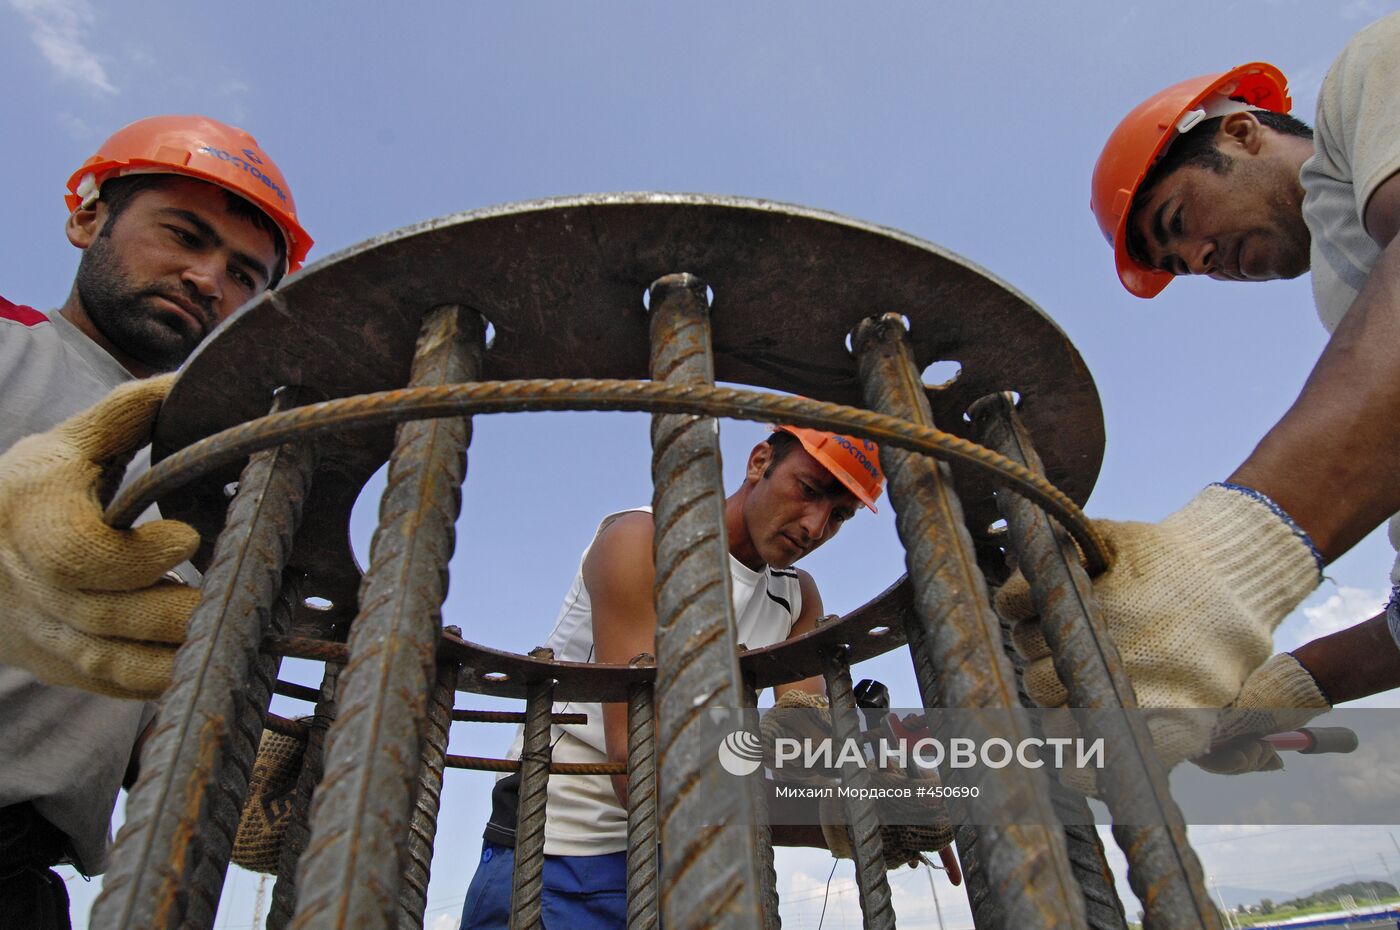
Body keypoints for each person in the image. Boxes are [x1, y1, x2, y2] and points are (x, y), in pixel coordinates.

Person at [1002, 10, 1400, 776]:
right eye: (1179, 263)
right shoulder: (1357, 312)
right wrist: (1279, 689)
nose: (1200, 257)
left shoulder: (1371, 71)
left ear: (1242, 132)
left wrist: (1226, 562)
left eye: (1179, 219)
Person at [0, 115, 310, 928]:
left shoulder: (220, 484)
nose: (208, 278)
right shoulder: (7, 345)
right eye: (184, 234)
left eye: (245, 274)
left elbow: (131, 702)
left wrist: (251, 771)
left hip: (22, 875)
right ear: (89, 217)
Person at [459, 425, 950, 929]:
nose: (815, 526)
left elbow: (805, 753)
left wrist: (891, 795)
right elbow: (642, 774)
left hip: (683, 865)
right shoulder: (643, 542)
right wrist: (839, 825)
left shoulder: (797, 597)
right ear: (759, 462)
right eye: (809, 490)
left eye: (840, 516)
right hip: (556, 858)